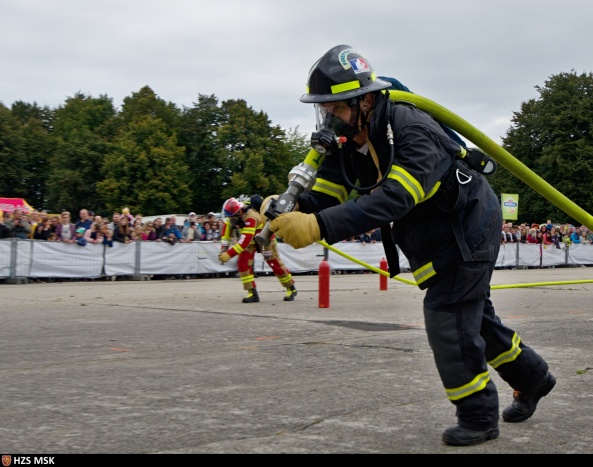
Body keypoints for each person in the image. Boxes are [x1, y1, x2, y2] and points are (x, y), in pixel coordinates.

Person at [266, 45, 555, 447]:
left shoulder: (412, 127)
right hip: (436, 234)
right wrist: (288, 208)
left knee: (448, 317)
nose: (328, 118)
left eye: (335, 107)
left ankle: (478, 416)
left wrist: (317, 226)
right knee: (474, 320)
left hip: (468, 227)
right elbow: (328, 194)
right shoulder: (349, 139)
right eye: (323, 109)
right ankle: (533, 378)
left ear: (365, 100)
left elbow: (396, 199)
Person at [218, 195, 297, 303]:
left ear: (239, 212)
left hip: (264, 236)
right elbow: (225, 237)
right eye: (229, 218)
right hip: (250, 239)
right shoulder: (230, 218)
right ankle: (252, 293)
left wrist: (229, 254)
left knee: (274, 263)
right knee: (243, 264)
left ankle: (291, 287)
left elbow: (244, 242)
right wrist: (223, 250)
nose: (231, 220)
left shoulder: (252, 216)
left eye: (232, 218)